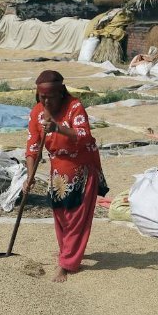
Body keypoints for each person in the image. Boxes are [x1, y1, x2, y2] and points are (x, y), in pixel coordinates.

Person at [23, 70, 108, 283]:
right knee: (61, 215)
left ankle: (67, 264)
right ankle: (68, 252)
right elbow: (33, 146)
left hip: (81, 167)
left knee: (76, 217)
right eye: (42, 97)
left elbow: (84, 134)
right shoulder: (36, 113)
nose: (46, 101)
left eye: (51, 96)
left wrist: (58, 128)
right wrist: (30, 176)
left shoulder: (74, 107)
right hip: (58, 171)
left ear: (61, 92)